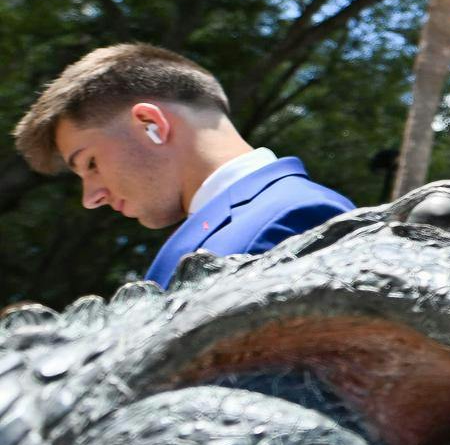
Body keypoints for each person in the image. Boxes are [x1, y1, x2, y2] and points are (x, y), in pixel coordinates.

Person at [13, 43, 353, 286]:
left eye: (90, 164)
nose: (91, 197)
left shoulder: (297, 216)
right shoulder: (231, 221)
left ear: (151, 124)